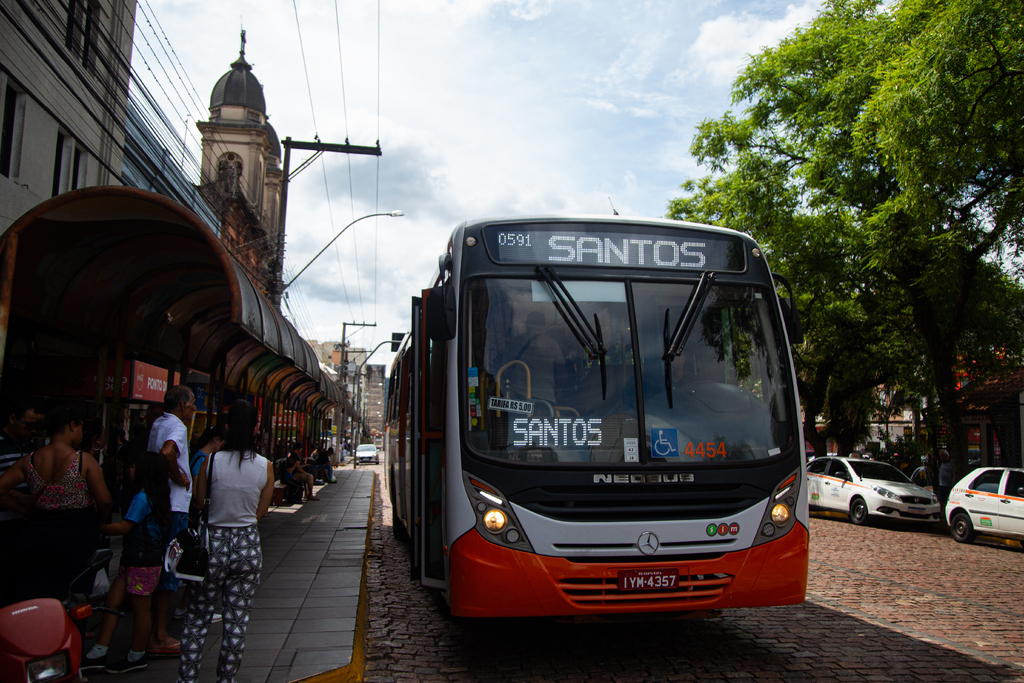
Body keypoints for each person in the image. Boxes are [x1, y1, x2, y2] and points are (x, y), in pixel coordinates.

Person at [177, 400, 275, 683]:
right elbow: (261, 511)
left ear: (228, 427)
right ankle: (226, 679)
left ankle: (187, 678)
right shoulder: (265, 467)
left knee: (197, 617)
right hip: (247, 546)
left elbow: (198, 502)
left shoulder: (211, 462)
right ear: (256, 429)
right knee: (237, 622)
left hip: (212, 545)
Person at [0, 404, 112, 602]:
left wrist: (21, 504)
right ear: (71, 426)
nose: (80, 434)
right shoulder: (83, 461)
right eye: (79, 428)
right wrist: (101, 521)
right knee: (73, 599)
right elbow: (104, 502)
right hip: (77, 541)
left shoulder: (30, 460)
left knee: (36, 599)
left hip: (36, 538)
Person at [82, 451, 172, 674]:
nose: (129, 470)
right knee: (112, 602)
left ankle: (136, 655)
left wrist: (95, 528)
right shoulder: (153, 496)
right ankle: (99, 652)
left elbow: (124, 527)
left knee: (140, 609)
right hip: (135, 559)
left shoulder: (142, 498)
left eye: (133, 466)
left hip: (143, 560)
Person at [147, 385, 196, 656]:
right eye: (191, 404)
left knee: (158, 566)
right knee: (169, 568)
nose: (193, 408)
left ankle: (153, 631)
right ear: (180, 405)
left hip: (157, 502)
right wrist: (178, 476)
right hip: (175, 505)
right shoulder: (177, 426)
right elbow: (168, 453)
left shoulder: (158, 423)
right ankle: (159, 634)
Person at [174, 423, 227, 620]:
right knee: (199, 563)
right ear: (216, 440)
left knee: (201, 564)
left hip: (198, 515)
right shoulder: (203, 459)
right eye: (223, 443)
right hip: (198, 517)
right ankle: (188, 607)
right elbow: (197, 491)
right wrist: (206, 503)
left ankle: (189, 606)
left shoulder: (199, 456)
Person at [0, 397, 45, 606]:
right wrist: (24, 502)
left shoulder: (32, 449)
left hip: (25, 529)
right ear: (12, 419)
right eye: (29, 424)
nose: (33, 431)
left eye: (38, 426)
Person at [937, 449, 953, 513]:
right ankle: (941, 512)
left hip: (948, 485)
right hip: (942, 485)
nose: (941, 458)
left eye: (942, 456)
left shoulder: (951, 464)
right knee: (941, 500)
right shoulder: (941, 463)